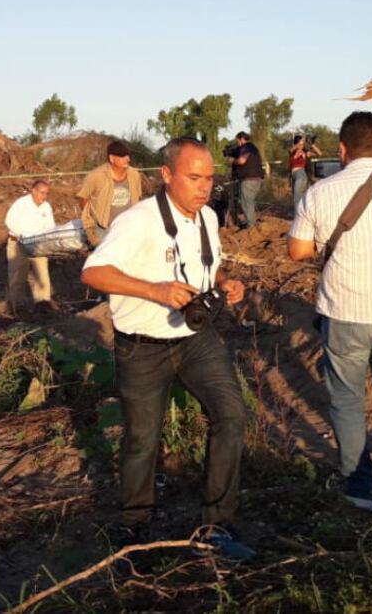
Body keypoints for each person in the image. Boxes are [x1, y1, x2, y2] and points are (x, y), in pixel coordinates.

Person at [81, 137, 253, 559]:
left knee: (232, 415)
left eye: (209, 178)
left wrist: (225, 283)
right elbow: (93, 273)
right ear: (166, 174)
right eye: (194, 178)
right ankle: (134, 532)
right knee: (142, 440)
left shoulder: (207, 217)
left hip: (196, 340)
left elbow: (210, 267)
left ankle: (216, 526)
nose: (204, 187)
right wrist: (154, 290)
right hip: (142, 347)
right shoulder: (138, 221)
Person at [287, 111, 372, 524]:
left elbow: (298, 251)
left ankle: (359, 487)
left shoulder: (320, 191)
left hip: (345, 312)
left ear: (341, 149)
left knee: (347, 401)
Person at [76, 139, 146, 246]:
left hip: (128, 226)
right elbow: (83, 198)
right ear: (112, 158)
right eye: (122, 156)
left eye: (127, 156)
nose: (128, 159)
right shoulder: (96, 176)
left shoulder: (134, 175)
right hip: (103, 229)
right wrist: (90, 223)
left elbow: (138, 197)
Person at [4, 180, 56, 313]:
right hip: (18, 243)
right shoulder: (21, 204)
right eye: (42, 193)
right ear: (34, 191)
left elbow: (50, 226)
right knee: (17, 275)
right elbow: (9, 221)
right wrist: (22, 235)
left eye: (47, 193)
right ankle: (16, 305)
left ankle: (42, 303)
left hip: (38, 244)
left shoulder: (46, 207)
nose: (44, 196)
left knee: (42, 275)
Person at [227, 131, 264, 229]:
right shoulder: (253, 147)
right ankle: (249, 222)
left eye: (237, 141)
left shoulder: (246, 147)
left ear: (241, 139)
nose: (237, 144)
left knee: (246, 202)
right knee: (249, 202)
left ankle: (250, 225)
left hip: (249, 179)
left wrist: (233, 160)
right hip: (257, 179)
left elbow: (241, 160)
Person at [288, 134, 322, 208]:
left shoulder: (305, 153)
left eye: (302, 144)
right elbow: (291, 150)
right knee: (296, 195)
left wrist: (312, 145)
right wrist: (300, 141)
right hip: (293, 175)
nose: (302, 145)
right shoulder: (292, 151)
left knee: (297, 196)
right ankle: (302, 211)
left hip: (301, 174)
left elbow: (319, 153)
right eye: (300, 144)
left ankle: (298, 213)